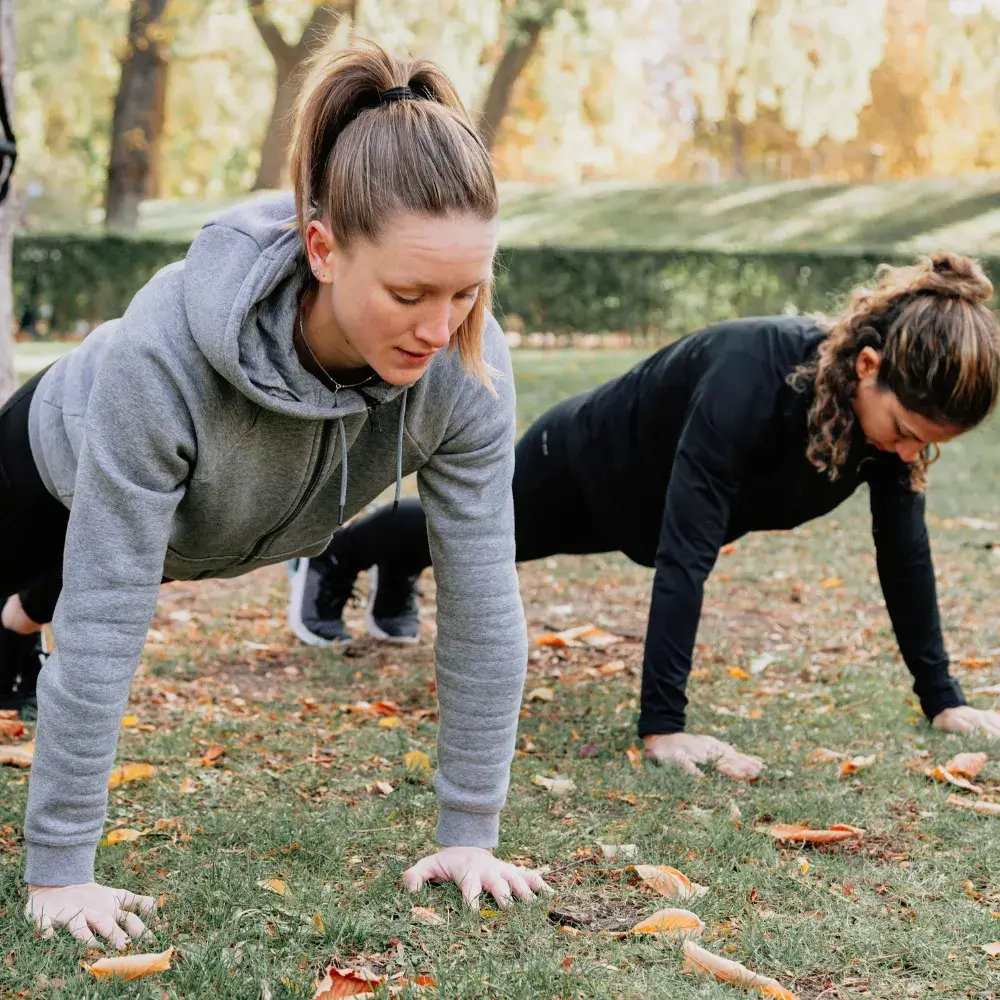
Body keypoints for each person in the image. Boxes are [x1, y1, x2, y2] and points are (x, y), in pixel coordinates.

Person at [3, 39, 549, 950]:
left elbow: (487, 603)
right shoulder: (161, 357)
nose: (439, 326)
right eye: (410, 291)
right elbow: (104, 615)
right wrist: (60, 867)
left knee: (40, 602)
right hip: (40, 470)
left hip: (196, 529)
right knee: (59, 589)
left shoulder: (465, 367)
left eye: (465, 290)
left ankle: (15, 625)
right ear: (323, 250)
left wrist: (470, 835)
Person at [287, 252, 1000, 778]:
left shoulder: (883, 436)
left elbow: (902, 556)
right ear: (869, 366)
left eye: (926, 445)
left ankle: (397, 569)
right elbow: (688, 552)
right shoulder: (751, 376)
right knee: (482, 537)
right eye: (906, 430)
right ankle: (338, 555)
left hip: (647, 518)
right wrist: (664, 727)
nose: (909, 452)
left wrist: (943, 698)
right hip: (582, 460)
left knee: (475, 542)